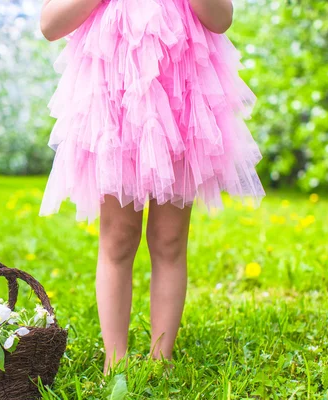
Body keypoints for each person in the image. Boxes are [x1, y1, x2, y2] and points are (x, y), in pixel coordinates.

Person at [37, 0, 265, 374]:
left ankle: (162, 356)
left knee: (170, 239)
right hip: (115, 106)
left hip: (179, 103)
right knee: (118, 236)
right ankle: (116, 358)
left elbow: (221, 19)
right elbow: (50, 24)